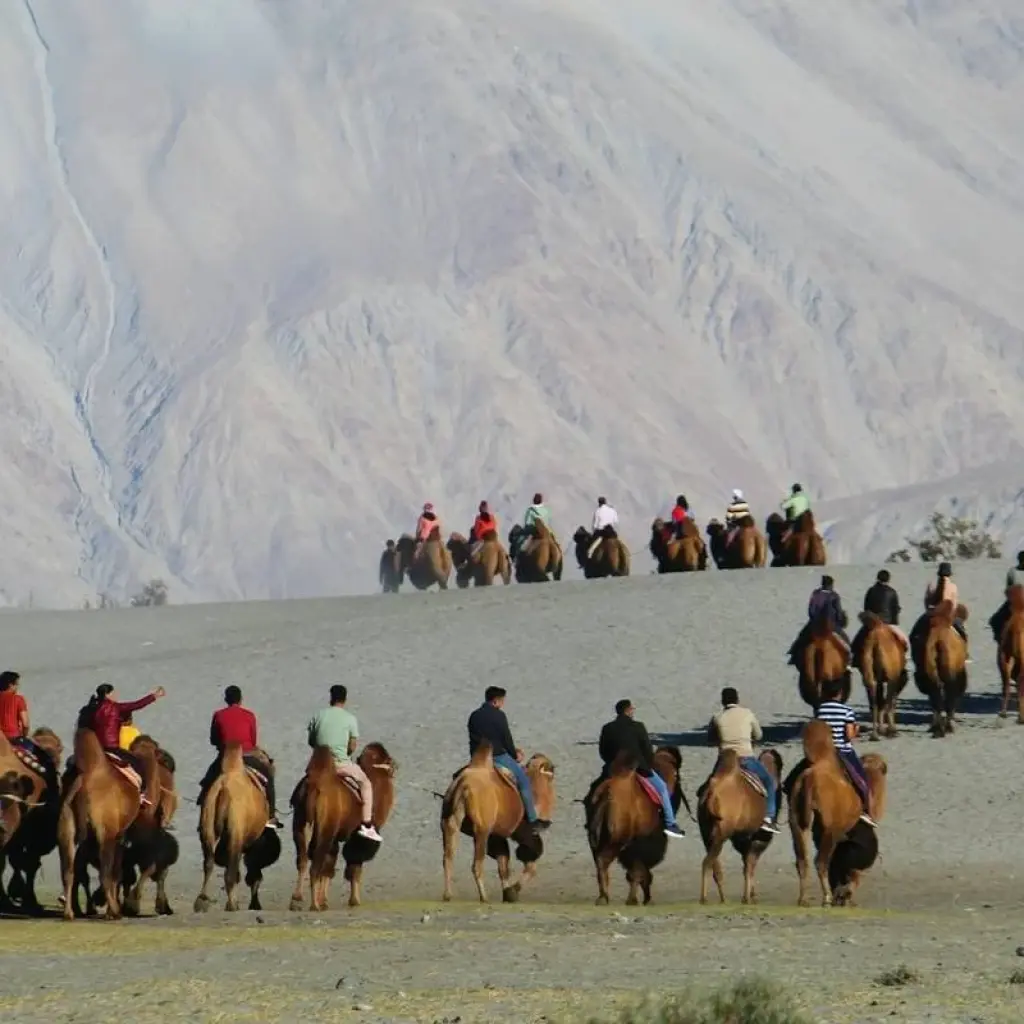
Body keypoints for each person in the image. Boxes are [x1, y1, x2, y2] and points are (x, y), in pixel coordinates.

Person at [467, 686, 550, 833]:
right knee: (523, 780)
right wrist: (513, 754)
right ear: (496, 701)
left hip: (477, 758)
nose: (503, 703)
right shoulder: (499, 716)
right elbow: (506, 739)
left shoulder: (474, 715)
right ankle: (532, 820)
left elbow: (472, 739)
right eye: (502, 701)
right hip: (497, 756)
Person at [598, 699, 684, 839]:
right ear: (628, 710)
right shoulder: (638, 726)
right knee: (662, 788)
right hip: (638, 768)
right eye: (632, 709)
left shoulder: (607, 728)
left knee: (595, 790)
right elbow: (647, 750)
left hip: (614, 769)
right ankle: (670, 824)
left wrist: (611, 763)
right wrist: (649, 766)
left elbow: (603, 751)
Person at [198, 686, 282, 829]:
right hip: (246, 755)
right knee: (268, 776)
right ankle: (270, 816)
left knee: (207, 781)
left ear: (226, 699)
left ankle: (204, 816)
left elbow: (213, 740)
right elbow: (253, 741)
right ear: (241, 699)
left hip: (226, 757)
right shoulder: (249, 715)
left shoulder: (218, 715)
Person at [308, 685, 382, 842]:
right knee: (366, 784)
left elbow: (312, 741)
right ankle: (367, 825)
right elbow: (352, 745)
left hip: (318, 766)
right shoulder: (350, 718)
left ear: (331, 698)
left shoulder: (318, 716)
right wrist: (345, 752)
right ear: (345, 699)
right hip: (340, 764)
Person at [706, 688, 779, 836]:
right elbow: (759, 735)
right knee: (769, 782)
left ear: (723, 701)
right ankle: (768, 817)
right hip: (746, 758)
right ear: (737, 700)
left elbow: (710, 739)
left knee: (707, 786)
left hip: (725, 760)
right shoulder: (747, 714)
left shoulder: (717, 717)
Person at [74, 684, 166, 787]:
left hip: (95, 747)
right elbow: (137, 705)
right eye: (113, 693)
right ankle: (142, 793)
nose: (116, 695)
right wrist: (154, 696)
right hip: (111, 747)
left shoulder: (93, 708)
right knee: (137, 764)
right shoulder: (116, 708)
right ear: (107, 695)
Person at [814, 678, 877, 827]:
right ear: (841, 693)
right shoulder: (846, 711)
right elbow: (848, 735)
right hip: (842, 751)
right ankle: (866, 811)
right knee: (862, 781)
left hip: (823, 752)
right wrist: (856, 730)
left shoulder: (820, 710)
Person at [787, 575, 850, 666]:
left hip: (814, 623)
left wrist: (814, 620)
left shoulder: (816, 594)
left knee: (801, 637)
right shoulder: (834, 596)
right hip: (831, 624)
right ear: (830, 585)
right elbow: (838, 611)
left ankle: (793, 655)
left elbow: (811, 610)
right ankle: (849, 658)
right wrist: (840, 621)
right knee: (845, 640)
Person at [923, 562, 969, 655]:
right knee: (962, 633)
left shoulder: (933, 586)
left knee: (915, 634)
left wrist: (930, 611)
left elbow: (927, 602)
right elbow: (954, 605)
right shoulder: (953, 586)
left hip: (933, 616)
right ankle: (965, 653)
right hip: (949, 617)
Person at [861, 569, 908, 649]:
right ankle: (904, 657)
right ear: (888, 579)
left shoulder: (871, 591)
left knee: (857, 642)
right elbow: (895, 611)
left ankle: (853, 658)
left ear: (877, 578)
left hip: (873, 624)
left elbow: (866, 608)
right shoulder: (892, 592)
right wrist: (894, 623)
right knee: (904, 642)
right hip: (888, 623)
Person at [989, 551, 1024, 641]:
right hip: (1014, 603)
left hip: (1017, 603)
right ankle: (1000, 641)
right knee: (994, 620)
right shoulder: (1012, 571)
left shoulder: (1012, 571)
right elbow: (1008, 588)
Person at [519, 493, 552, 558]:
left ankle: (519, 559)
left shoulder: (530, 510)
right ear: (541, 501)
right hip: (545, 531)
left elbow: (527, 523)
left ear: (534, 500)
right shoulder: (546, 510)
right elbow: (547, 521)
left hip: (534, 531)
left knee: (522, 544)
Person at [0, 671, 29, 743]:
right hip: (13, 737)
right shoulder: (18, 699)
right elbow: (25, 724)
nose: (18, 687)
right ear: (10, 685)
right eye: (16, 684)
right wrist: (24, 737)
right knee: (38, 752)